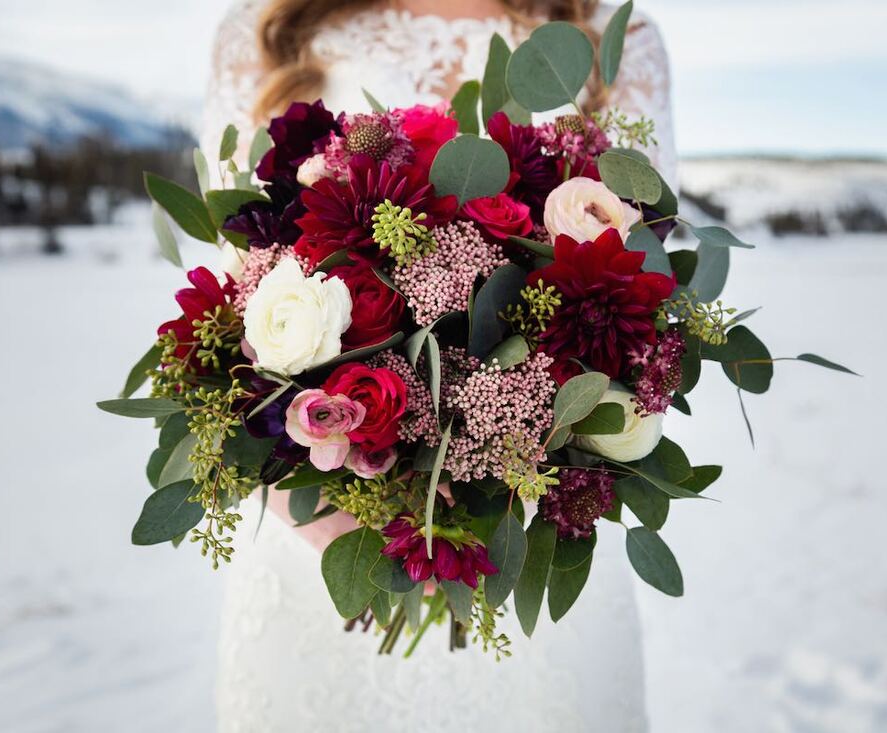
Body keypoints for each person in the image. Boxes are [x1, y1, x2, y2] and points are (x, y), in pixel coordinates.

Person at [201, 1, 676, 729]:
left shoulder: (619, 43)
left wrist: (524, 475)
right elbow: (235, 307)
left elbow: (649, 278)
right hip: (317, 554)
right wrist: (328, 502)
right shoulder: (258, 37)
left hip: (534, 546)